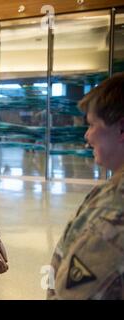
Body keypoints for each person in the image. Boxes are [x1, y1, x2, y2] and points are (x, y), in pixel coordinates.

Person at [47, 72, 124, 300]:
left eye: (92, 125)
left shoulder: (112, 211)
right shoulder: (109, 193)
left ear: (121, 129)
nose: (87, 136)